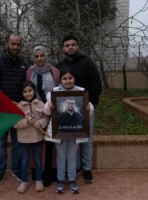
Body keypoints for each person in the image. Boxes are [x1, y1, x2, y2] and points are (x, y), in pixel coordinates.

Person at [56, 35, 102, 183]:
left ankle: (87, 168)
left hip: (86, 109)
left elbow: (97, 85)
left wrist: (91, 105)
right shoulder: (60, 66)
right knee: (72, 139)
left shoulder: (87, 62)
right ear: (63, 48)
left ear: (77, 46)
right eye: (67, 45)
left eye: (73, 44)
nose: (70, 47)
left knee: (87, 141)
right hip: (66, 110)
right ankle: (75, 168)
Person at [0, 33, 28, 185]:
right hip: (1, 112)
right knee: (2, 144)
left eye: (18, 44)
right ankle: (1, 171)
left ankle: (15, 169)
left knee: (17, 143)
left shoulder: (24, 63)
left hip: (17, 112)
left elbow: (27, 87)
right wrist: (3, 101)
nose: (16, 47)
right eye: (13, 44)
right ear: (6, 44)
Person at [44, 67, 94, 194]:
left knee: (72, 157)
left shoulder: (81, 92)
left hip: (76, 132)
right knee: (60, 157)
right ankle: (61, 180)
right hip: (59, 132)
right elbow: (47, 112)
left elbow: (88, 111)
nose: (67, 81)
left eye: (70, 78)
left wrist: (89, 107)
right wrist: (48, 106)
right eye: (64, 78)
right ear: (60, 80)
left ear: (74, 79)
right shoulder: (52, 93)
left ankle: (72, 179)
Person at [26, 45, 60, 187]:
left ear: (46, 56)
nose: (39, 58)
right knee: (37, 143)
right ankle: (37, 172)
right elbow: (26, 91)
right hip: (36, 113)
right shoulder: (29, 72)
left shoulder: (55, 72)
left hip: (53, 111)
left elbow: (60, 90)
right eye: (36, 56)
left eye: (42, 55)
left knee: (51, 143)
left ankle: (51, 172)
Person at [14, 81, 49, 193]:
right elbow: (15, 124)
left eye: (30, 90)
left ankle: (39, 180)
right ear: (21, 93)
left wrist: (41, 123)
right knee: (24, 160)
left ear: (34, 91)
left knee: (38, 160)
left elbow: (46, 117)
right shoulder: (18, 107)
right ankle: (24, 181)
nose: (28, 93)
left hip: (37, 138)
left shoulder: (41, 104)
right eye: (25, 91)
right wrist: (27, 122)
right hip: (23, 139)